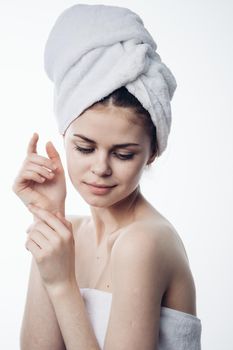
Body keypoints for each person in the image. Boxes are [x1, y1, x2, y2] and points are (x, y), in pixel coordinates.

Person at [12, 4, 202, 350]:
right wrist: (49, 218)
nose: (101, 167)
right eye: (85, 148)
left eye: (123, 153)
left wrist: (61, 285)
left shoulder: (143, 242)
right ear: (65, 138)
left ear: (153, 153)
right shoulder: (68, 236)